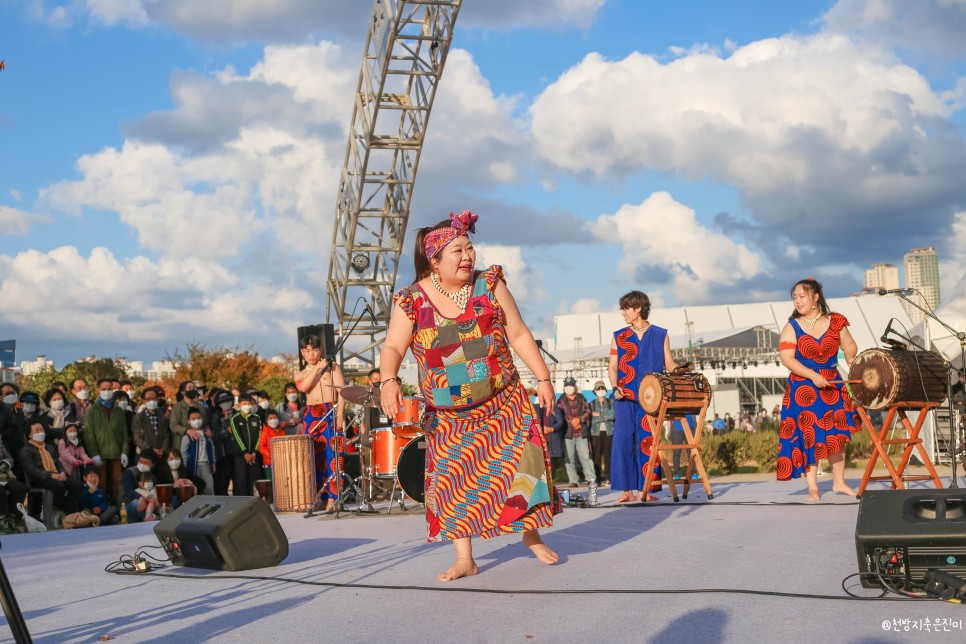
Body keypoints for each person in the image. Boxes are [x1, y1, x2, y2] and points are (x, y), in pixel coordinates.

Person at [379, 210, 558, 582]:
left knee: (520, 468)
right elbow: (394, 347)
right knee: (452, 481)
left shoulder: (489, 285)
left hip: (502, 401)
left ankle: (530, 534)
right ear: (435, 260)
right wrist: (388, 380)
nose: (467, 256)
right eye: (457, 251)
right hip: (449, 413)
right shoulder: (411, 301)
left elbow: (520, 334)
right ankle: (465, 557)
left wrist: (543, 377)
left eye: (469, 248)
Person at [777, 277, 859, 501]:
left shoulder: (835, 322)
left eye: (802, 296)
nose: (797, 301)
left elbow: (850, 345)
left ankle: (839, 482)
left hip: (833, 384)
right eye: (794, 297)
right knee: (809, 435)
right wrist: (813, 376)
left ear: (815, 298)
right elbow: (787, 359)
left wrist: (851, 357)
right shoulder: (791, 326)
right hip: (803, 388)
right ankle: (812, 485)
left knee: (837, 434)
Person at [608, 290, 679, 503]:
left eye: (626, 308)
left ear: (638, 308)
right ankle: (627, 490)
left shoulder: (660, 334)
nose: (623, 313)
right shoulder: (618, 336)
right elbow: (612, 367)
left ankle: (645, 490)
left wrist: (681, 370)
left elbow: (669, 364)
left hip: (651, 398)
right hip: (624, 397)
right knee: (622, 441)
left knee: (648, 442)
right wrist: (614, 386)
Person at [296, 335, 345, 512]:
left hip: (331, 410)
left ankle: (334, 497)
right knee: (314, 457)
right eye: (307, 351)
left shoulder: (333, 367)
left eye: (314, 350)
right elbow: (303, 388)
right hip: (312, 414)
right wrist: (317, 369)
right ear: (302, 352)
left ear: (320, 350)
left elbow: (342, 392)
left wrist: (340, 414)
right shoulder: (301, 373)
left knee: (333, 456)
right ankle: (319, 497)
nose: (311, 354)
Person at [20, 421, 82, 516]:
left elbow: (58, 462)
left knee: (77, 485)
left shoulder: (49, 447)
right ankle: (61, 510)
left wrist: (62, 472)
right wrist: (50, 475)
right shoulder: (26, 450)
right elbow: (31, 470)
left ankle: (70, 513)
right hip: (39, 478)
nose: (40, 432)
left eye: (41, 430)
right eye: (37, 431)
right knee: (59, 486)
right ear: (29, 435)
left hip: (55, 475)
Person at [83, 379, 130, 504]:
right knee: (101, 483)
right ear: (98, 391)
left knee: (117, 483)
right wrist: (94, 453)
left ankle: (117, 509)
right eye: (103, 389)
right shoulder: (92, 410)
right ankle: (102, 508)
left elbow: (125, 434)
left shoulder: (119, 411)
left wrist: (125, 451)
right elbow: (89, 434)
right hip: (100, 453)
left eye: (109, 389)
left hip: (116, 453)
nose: (107, 392)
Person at [557, 377, 596, 488]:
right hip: (568, 433)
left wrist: (580, 419)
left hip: (581, 432)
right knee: (569, 458)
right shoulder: (561, 400)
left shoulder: (581, 398)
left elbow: (588, 411)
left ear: (575, 386)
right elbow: (560, 414)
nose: (568, 388)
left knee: (585, 456)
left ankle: (591, 478)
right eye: (566, 386)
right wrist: (572, 422)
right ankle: (573, 480)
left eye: (570, 385)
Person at [228, 394, 262, 497]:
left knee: (251, 481)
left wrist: (254, 452)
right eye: (244, 404)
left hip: (253, 455)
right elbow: (237, 436)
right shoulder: (235, 418)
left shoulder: (256, 418)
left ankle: (251, 502)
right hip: (240, 455)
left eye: (249, 404)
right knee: (241, 481)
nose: (247, 406)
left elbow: (259, 435)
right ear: (239, 405)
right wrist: (245, 452)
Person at [180, 408, 215, 495]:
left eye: (198, 418)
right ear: (189, 421)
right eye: (193, 419)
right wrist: (184, 467)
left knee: (209, 487)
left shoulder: (207, 435)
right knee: (195, 489)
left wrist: (213, 463)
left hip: (206, 465)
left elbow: (212, 449)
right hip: (192, 467)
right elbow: (183, 453)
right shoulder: (187, 437)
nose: (197, 421)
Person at [209, 390, 236, 495]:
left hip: (236, 453)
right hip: (222, 454)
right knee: (222, 484)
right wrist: (226, 427)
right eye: (222, 402)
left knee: (238, 482)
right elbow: (215, 434)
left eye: (227, 400)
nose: (225, 403)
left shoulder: (237, 413)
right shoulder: (216, 416)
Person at [132, 388, 171, 458]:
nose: (152, 401)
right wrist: (151, 449)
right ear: (143, 401)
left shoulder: (162, 416)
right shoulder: (138, 418)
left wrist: (163, 449)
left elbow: (166, 435)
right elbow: (137, 439)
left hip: (161, 455)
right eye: (149, 399)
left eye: (154, 398)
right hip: (144, 456)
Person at [588, 380, 614, 485]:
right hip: (595, 433)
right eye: (598, 389)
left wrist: (598, 415)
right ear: (595, 391)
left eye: (602, 388)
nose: (600, 390)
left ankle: (609, 477)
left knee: (608, 455)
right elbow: (591, 419)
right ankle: (597, 479)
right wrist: (604, 416)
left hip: (609, 432)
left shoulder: (611, 402)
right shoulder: (591, 404)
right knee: (596, 456)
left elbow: (613, 415)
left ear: (605, 390)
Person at [121, 451, 159, 522]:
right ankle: (150, 517)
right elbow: (129, 491)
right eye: (141, 461)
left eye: (146, 463)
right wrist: (141, 498)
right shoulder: (129, 472)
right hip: (129, 502)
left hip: (151, 501)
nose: (142, 464)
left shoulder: (153, 475)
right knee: (137, 503)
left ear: (153, 465)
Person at [0, 440, 28, 533]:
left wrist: (4, 464)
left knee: (20, 488)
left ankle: (11, 520)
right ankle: (1, 521)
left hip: (2, 476)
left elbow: (9, 458)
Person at [169, 380, 204, 447]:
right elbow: (173, 425)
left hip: (199, 442)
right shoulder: (177, 407)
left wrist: (207, 429)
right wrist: (186, 431)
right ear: (183, 392)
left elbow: (205, 423)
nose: (193, 389)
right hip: (182, 442)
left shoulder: (200, 407)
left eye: (194, 388)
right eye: (190, 388)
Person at [257, 409, 285, 480]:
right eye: (271, 418)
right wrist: (271, 455)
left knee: (281, 481)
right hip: (269, 463)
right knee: (271, 482)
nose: (273, 420)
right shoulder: (264, 432)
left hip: (281, 461)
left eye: (275, 418)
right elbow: (261, 447)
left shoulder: (281, 432)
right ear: (266, 420)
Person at [668, 415, 696, 480]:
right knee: (676, 452)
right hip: (676, 426)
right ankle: (676, 474)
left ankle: (694, 472)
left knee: (691, 451)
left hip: (690, 425)